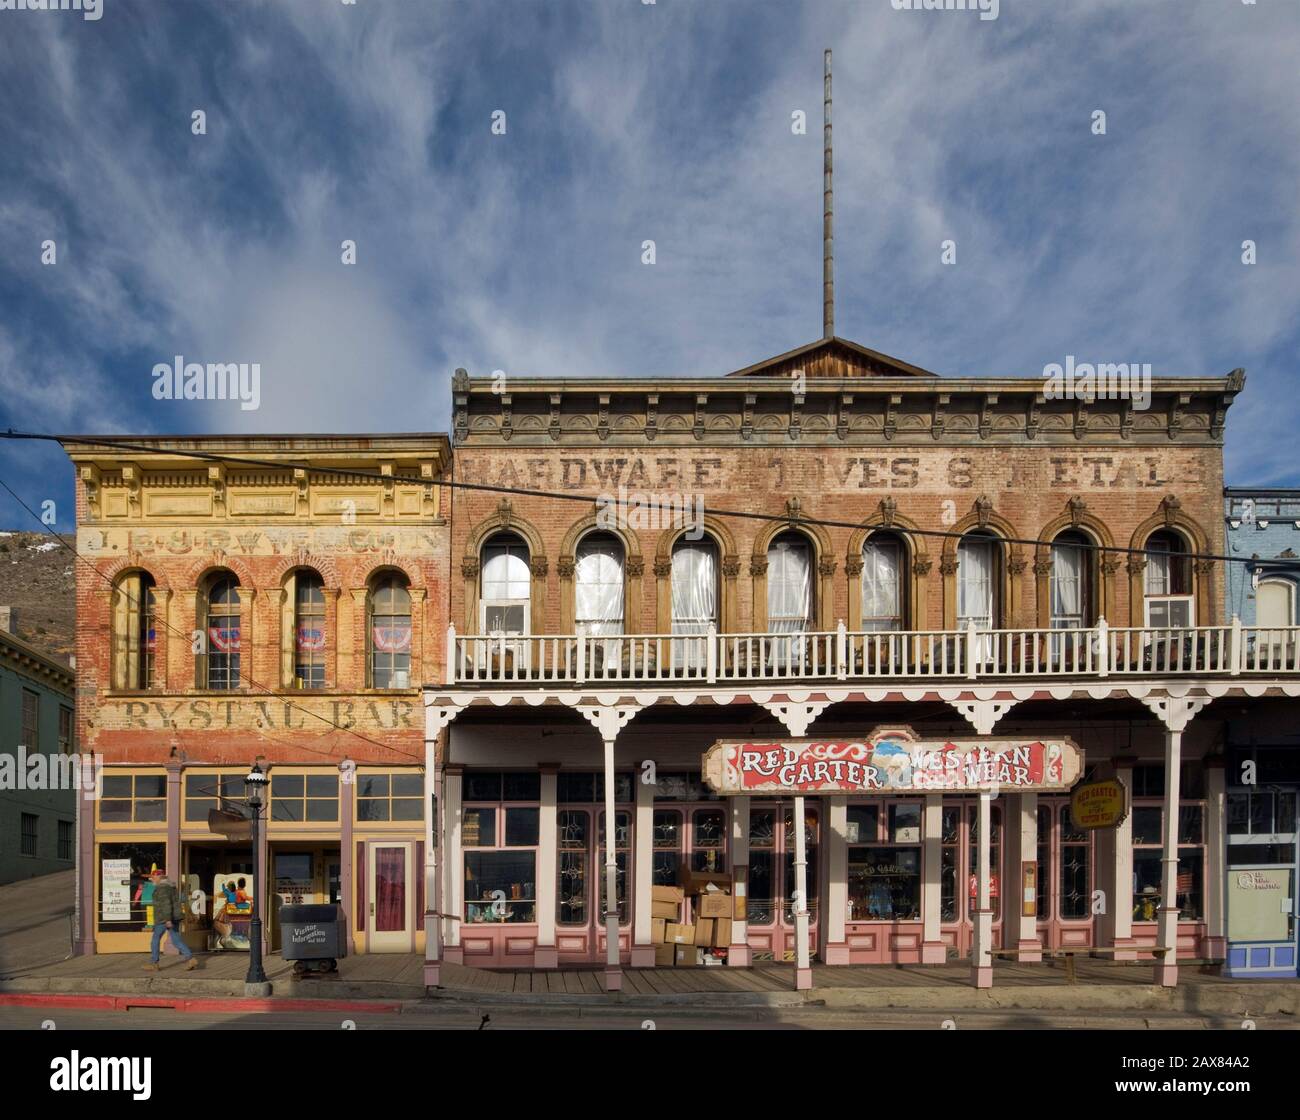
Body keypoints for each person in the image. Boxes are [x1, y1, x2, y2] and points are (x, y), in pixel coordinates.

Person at [143, 869, 200, 971]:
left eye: (153, 877)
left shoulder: (162, 888)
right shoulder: (170, 887)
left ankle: (154, 963)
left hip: (164, 919)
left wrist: (167, 919)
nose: (152, 879)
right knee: (176, 940)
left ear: (159, 877)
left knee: (155, 939)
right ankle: (191, 959)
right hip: (173, 917)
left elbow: (166, 904)